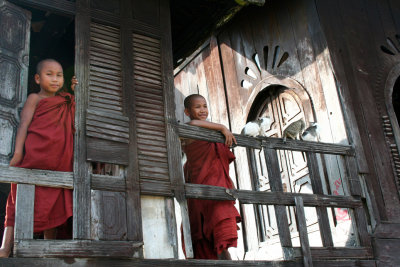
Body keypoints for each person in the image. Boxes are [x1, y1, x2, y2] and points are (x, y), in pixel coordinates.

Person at [0, 59, 77, 257]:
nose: (55, 79)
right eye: (49, 74)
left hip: (59, 162)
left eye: (59, 75)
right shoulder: (35, 98)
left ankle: (47, 248)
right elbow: (24, 125)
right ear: (37, 78)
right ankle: (5, 248)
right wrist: (18, 153)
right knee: (16, 200)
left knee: (54, 203)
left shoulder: (66, 100)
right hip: (36, 155)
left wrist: (78, 92)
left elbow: (78, 120)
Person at [182, 94, 241, 260]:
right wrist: (222, 127)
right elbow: (194, 123)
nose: (202, 110)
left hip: (219, 188)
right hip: (202, 189)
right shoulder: (190, 128)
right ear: (187, 111)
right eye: (197, 107)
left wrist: (230, 183)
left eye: (205, 106)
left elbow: (218, 163)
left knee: (221, 240)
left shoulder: (212, 133)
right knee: (208, 237)